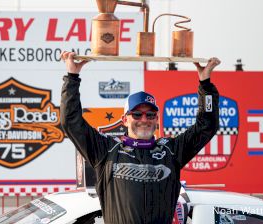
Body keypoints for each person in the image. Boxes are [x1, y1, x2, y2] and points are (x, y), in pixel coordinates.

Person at [60, 51, 221, 224]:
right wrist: (72, 77)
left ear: (156, 119)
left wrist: (205, 83)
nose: (144, 120)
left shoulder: (171, 151)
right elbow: (71, 121)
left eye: (150, 115)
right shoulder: (106, 150)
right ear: (125, 119)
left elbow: (207, 125)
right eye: (137, 114)